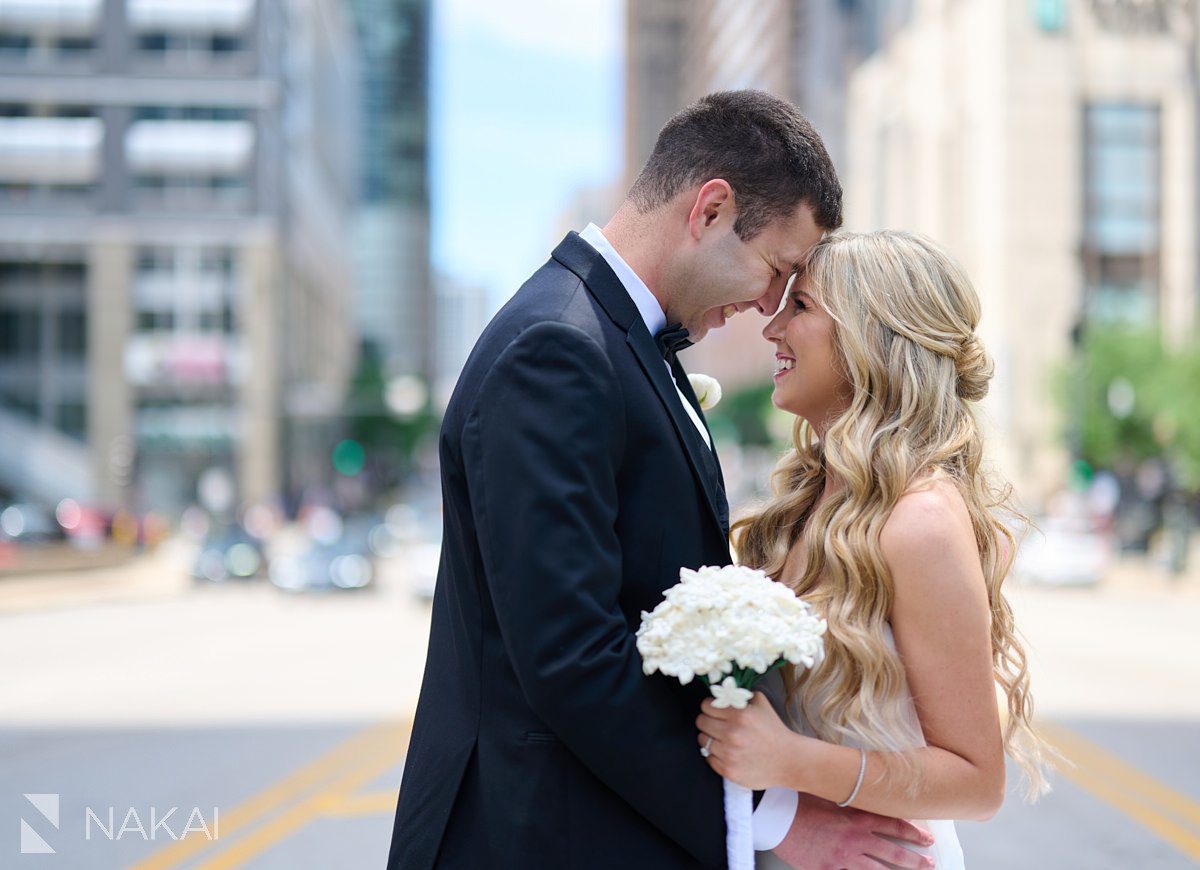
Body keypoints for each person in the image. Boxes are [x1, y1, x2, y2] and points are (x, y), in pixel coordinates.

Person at [387, 92, 937, 869]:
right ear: (710, 210)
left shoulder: (612, 341)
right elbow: (572, 657)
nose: (765, 306)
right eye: (775, 269)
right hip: (537, 837)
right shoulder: (557, 349)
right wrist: (772, 822)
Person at [696, 230, 1052, 869]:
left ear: (871, 336)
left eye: (800, 307)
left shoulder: (919, 520)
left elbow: (977, 781)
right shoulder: (802, 505)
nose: (772, 329)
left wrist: (791, 760)